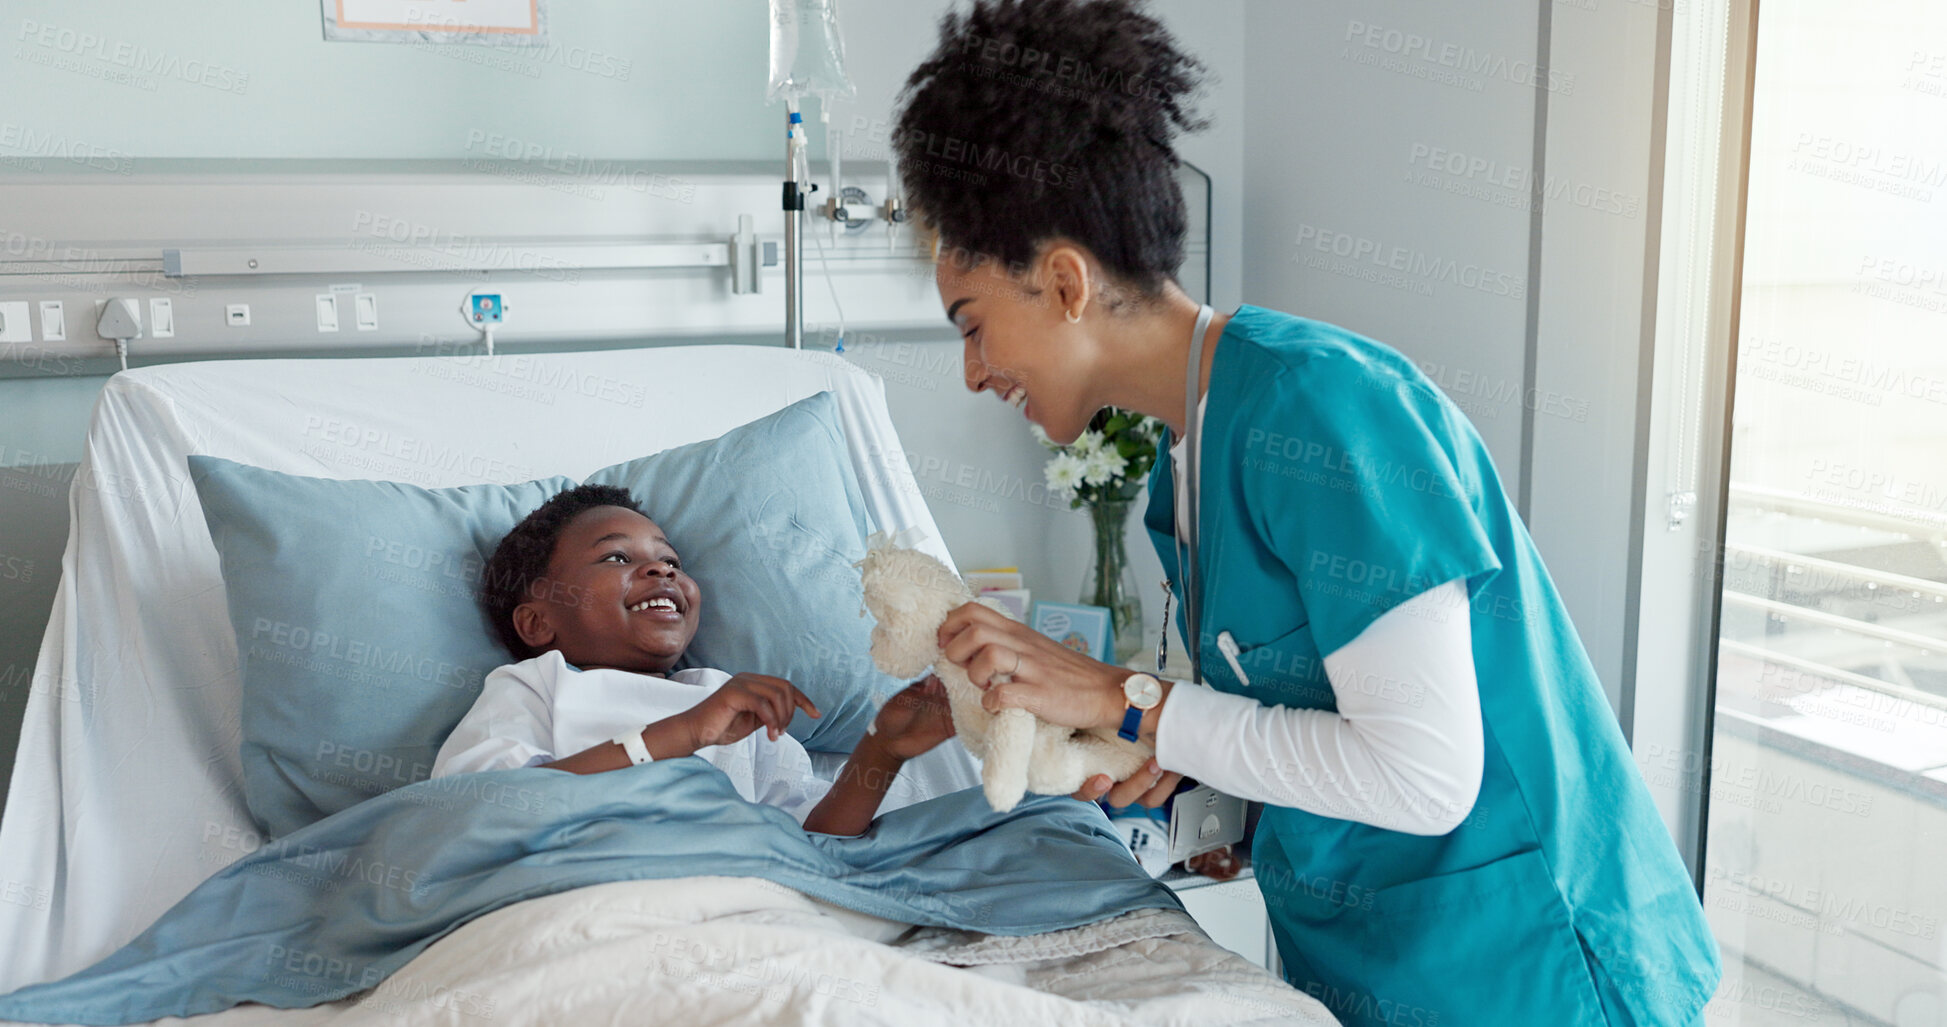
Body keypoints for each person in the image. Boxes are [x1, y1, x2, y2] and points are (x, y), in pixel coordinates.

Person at [892, 1, 1721, 1024]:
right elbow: (1319, 724)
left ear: (1065, 282)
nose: (975, 373)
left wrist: (1133, 702)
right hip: (1385, 971)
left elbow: (1426, 777)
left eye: (975, 328)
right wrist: (1198, 782)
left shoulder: (1321, 411)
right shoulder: (1186, 463)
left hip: (1533, 969)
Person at [432, 483, 956, 838]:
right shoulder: (534, 686)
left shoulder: (721, 694)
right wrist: (685, 734)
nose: (660, 570)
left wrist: (879, 754)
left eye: (671, 560)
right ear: (537, 622)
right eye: (618, 557)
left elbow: (814, 844)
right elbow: (477, 813)